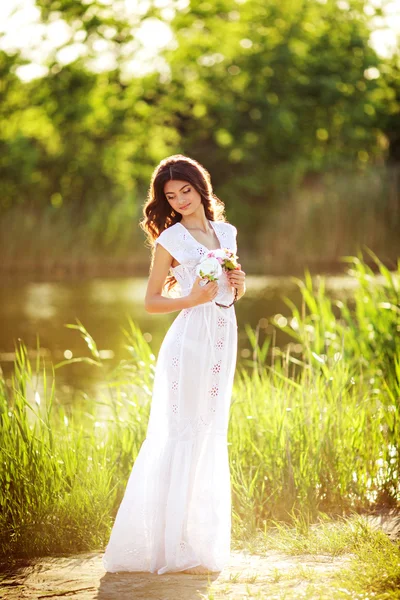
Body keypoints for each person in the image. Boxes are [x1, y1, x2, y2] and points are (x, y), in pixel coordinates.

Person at [102, 154, 246, 575]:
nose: (181, 200)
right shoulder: (171, 240)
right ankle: (168, 546)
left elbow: (225, 290)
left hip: (223, 337)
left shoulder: (227, 232)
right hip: (190, 342)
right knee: (181, 433)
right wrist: (187, 299)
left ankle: (198, 542)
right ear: (164, 201)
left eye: (186, 190)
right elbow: (150, 302)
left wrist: (239, 286)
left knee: (207, 433)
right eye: (171, 195)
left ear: (200, 188)